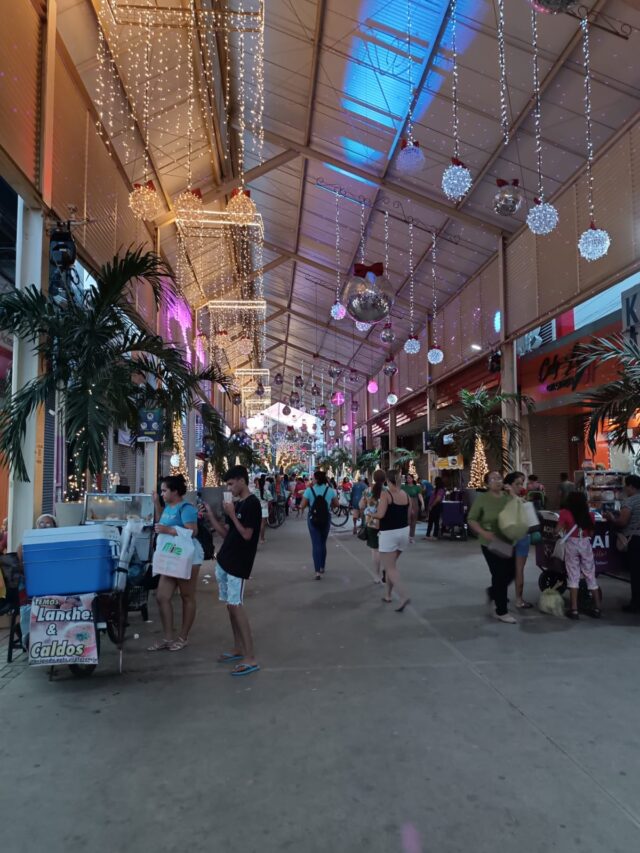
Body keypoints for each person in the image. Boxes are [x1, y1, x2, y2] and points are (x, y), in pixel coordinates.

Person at [206, 465, 261, 676]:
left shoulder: (252, 504)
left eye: (230, 484)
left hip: (239, 562)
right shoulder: (235, 505)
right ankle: (238, 647)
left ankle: (250, 657)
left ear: (241, 481)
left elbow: (247, 535)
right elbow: (226, 534)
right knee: (230, 607)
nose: (229, 488)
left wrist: (232, 515)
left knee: (236, 606)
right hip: (225, 560)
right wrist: (212, 516)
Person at [148, 475, 204, 652]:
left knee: (187, 596)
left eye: (164, 490)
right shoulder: (168, 508)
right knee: (162, 596)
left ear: (175, 491)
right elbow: (161, 521)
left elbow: (193, 531)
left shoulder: (186, 508)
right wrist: (156, 503)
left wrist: (169, 530)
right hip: (170, 557)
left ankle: (183, 637)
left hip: (187, 558)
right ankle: (168, 637)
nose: (162, 493)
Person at [467, 471, 517, 624]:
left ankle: (493, 592)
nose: (497, 481)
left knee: (511, 573)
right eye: (493, 479)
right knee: (499, 574)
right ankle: (501, 611)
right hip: (490, 543)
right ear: (487, 483)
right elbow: (471, 519)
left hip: (507, 541)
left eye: (499, 478)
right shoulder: (482, 499)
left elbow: (519, 511)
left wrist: (513, 494)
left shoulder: (508, 498)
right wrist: (483, 532)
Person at [556, 491, 601, 619]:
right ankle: (597, 607)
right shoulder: (590, 515)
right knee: (590, 574)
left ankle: (574, 609)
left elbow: (557, 530)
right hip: (585, 544)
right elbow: (591, 534)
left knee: (573, 575)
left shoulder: (565, 513)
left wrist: (562, 530)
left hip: (572, 545)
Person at [373, 469, 411, 611]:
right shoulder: (405, 495)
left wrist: (371, 514)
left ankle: (403, 595)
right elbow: (410, 515)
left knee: (390, 568)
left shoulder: (386, 494)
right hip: (404, 533)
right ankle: (388, 595)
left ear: (388, 481)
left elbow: (381, 515)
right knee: (391, 565)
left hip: (389, 534)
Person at [605, 474, 640, 612]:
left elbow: (622, 522)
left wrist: (611, 518)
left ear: (631, 486)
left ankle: (636, 604)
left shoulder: (630, 502)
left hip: (636, 540)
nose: (625, 488)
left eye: (626, 485)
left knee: (637, 573)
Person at [299, 470, 339, 580]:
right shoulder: (330, 490)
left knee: (316, 543)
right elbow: (337, 504)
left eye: (313, 478)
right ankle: (322, 566)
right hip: (326, 518)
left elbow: (302, 505)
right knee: (322, 543)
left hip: (313, 519)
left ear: (316, 479)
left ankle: (317, 572)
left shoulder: (308, 490)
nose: (312, 479)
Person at [503, 471, 533, 610]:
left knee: (516, 569)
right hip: (511, 537)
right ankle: (518, 600)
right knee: (513, 569)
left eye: (522, 483)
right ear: (509, 485)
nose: (520, 486)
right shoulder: (512, 499)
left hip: (518, 537)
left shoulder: (517, 498)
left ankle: (517, 598)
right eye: (517, 484)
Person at [360, 470, 386, 582]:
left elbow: (361, 505)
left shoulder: (367, 491)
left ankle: (376, 575)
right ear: (385, 479)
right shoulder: (387, 491)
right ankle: (386, 570)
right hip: (386, 523)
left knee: (375, 550)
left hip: (372, 522)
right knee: (385, 549)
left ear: (374, 479)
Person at [402, 473, 424, 544]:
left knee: (413, 520)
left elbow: (420, 496)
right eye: (407, 478)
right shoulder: (403, 486)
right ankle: (406, 536)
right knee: (406, 520)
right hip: (405, 503)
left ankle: (411, 536)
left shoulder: (417, 487)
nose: (408, 479)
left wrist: (422, 504)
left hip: (414, 503)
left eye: (410, 478)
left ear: (412, 479)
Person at [252, 476, 269, 543]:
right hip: (264, 508)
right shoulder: (266, 491)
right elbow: (270, 499)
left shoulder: (253, 491)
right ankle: (262, 539)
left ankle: (255, 539)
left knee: (256, 524)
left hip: (256, 509)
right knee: (262, 524)